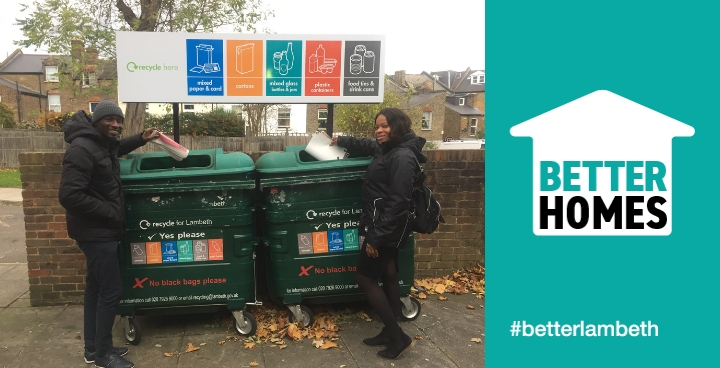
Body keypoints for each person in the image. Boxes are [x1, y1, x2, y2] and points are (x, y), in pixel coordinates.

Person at [59, 99, 159, 368]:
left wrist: (140, 138)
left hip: (100, 232)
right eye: (109, 120)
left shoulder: (99, 144)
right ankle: (103, 355)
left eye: (118, 120)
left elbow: (116, 148)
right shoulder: (81, 149)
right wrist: (110, 212)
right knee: (111, 291)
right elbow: (69, 196)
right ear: (96, 122)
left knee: (95, 289)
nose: (115, 125)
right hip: (96, 234)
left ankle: (93, 349)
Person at [330, 107, 426, 359]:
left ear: (398, 126)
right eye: (377, 126)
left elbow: (399, 201)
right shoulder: (388, 148)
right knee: (389, 274)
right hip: (386, 226)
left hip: (385, 227)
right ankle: (389, 330)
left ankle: (398, 337)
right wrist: (340, 140)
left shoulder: (402, 156)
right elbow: (368, 144)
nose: (379, 131)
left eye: (384, 126)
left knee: (365, 278)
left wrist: (376, 236)